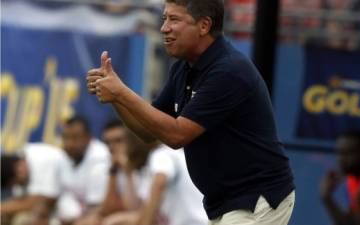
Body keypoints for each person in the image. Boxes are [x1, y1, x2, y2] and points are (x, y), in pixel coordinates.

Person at [86, 0, 295, 224]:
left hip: (258, 199)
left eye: (174, 19)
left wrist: (121, 93)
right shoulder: (184, 68)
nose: (164, 27)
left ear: (204, 26)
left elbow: (177, 136)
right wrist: (116, 97)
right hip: (228, 201)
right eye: (165, 18)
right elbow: (148, 133)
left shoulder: (228, 71)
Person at [76, 119, 207, 225]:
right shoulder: (145, 168)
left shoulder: (163, 153)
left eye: (125, 141)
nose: (120, 147)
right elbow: (135, 209)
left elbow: (160, 182)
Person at [57, 115, 111, 224]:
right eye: (66, 138)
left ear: (88, 138)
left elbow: (97, 210)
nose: (69, 144)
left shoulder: (100, 159)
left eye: (75, 138)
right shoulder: (65, 156)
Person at [320, 131, 360, 225]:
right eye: (339, 153)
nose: (341, 158)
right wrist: (326, 197)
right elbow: (346, 222)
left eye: (348, 153)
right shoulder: (352, 179)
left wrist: (359, 205)